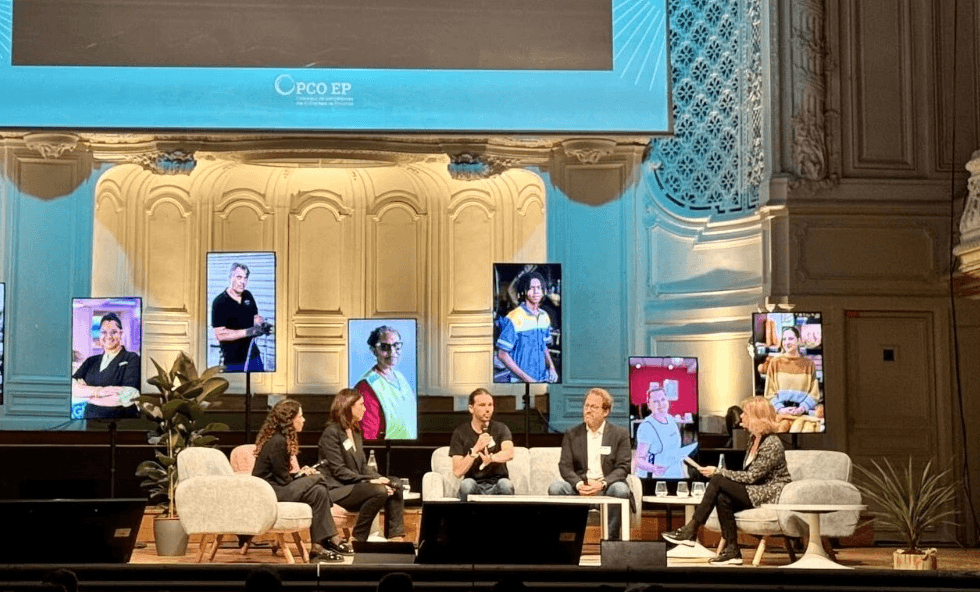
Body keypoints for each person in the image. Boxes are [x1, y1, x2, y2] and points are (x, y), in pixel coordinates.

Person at [662, 396, 792, 565]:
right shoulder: (753, 439)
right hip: (755, 489)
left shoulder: (772, 443)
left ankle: (691, 529)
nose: (741, 417)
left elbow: (751, 476)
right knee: (723, 497)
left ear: (756, 417)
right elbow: (750, 477)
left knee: (717, 480)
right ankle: (732, 550)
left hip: (769, 492)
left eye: (745, 413)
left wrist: (718, 471)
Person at [252, 399, 351, 563]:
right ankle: (332, 538)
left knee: (318, 491)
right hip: (269, 493)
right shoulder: (278, 442)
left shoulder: (280, 439)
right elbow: (283, 481)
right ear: (290, 420)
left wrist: (300, 474)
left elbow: (283, 476)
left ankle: (317, 548)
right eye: (301, 416)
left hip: (277, 487)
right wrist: (304, 476)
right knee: (318, 479)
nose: (303, 420)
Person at [318, 388, 407, 542]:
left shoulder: (355, 433)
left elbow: (363, 467)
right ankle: (358, 538)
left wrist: (381, 478)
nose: (365, 409)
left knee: (395, 485)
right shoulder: (331, 433)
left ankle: (395, 537)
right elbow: (339, 471)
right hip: (338, 489)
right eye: (361, 405)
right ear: (348, 407)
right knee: (379, 491)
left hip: (356, 486)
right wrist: (369, 481)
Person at [548, 388, 633, 540]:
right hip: (582, 487)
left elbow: (623, 467)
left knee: (620, 489)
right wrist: (580, 484)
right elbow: (565, 466)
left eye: (594, 407)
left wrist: (602, 484)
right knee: (556, 488)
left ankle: (611, 541)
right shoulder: (572, 434)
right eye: (586, 406)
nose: (588, 411)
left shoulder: (620, 434)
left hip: (607, 488)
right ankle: (567, 539)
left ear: (605, 412)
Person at [449, 388, 515, 501]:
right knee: (466, 485)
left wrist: (491, 458)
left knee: (506, 485)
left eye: (490, 405)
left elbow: (509, 453)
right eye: (482, 405)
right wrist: (475, 449)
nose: (488, 409)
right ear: (471, 408)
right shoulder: (460, 432)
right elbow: (457, 471)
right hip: (474, 483)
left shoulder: (501, 429)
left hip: (497, 483)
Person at [71, 312, 141, 420]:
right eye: (104, 332)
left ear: (121, 334)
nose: (108, 336)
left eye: (114, 332)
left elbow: (129, 395)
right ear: (99, 335)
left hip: (122, 424)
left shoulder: (132, 358)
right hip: (90, 424)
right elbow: (72, 388)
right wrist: (100, 391)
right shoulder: (91, 361)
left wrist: (87, 396)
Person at [354, 325, 417, 440]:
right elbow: (369, 434)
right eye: (384, 347)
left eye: (396, 346)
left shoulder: (400, 378)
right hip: (386, 450)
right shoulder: (367, 386)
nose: (392, 352)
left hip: (409, 447)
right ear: (374, 351)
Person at [495, 271, 558, 383]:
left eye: (539, 288)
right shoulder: (514, 317)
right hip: (520, 382)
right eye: (531, 288)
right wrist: (528, 379)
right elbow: (502, 354)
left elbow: (543, 345)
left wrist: (552, 368)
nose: (536, 292)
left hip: (542, 379)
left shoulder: (544, 316)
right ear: (524, 291)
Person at [211, 262, 271, 372]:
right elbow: (220, 334)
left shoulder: (248, 295)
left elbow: (255, 318)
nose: (243, 282)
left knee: (260, 387)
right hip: (233, 362)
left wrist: (261, 324)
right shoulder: (219, 302)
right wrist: (248, 332)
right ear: (230, 277)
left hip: (254, 357)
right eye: (239, 277)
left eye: (245, 278)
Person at [763, 326, 822, 432]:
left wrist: (802, 408)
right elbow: (769, 393)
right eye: (784, 339)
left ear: (798, 341)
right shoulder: (775, 363)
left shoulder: (809, 364)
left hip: (802, 414)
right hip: (780, 414)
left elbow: (815, 393)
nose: (787, 342)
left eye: (791, 339)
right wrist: (781, 408)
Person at [632, 383, 690, 478]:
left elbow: (676, 452)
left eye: (663, 399)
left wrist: (684, 475)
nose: (660, 404)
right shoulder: (646, 427)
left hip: (676, 474)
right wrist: (653, 468)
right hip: (658, 478)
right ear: (649, 405)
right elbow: (638, 459)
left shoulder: (670, 419)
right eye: (655, 401)